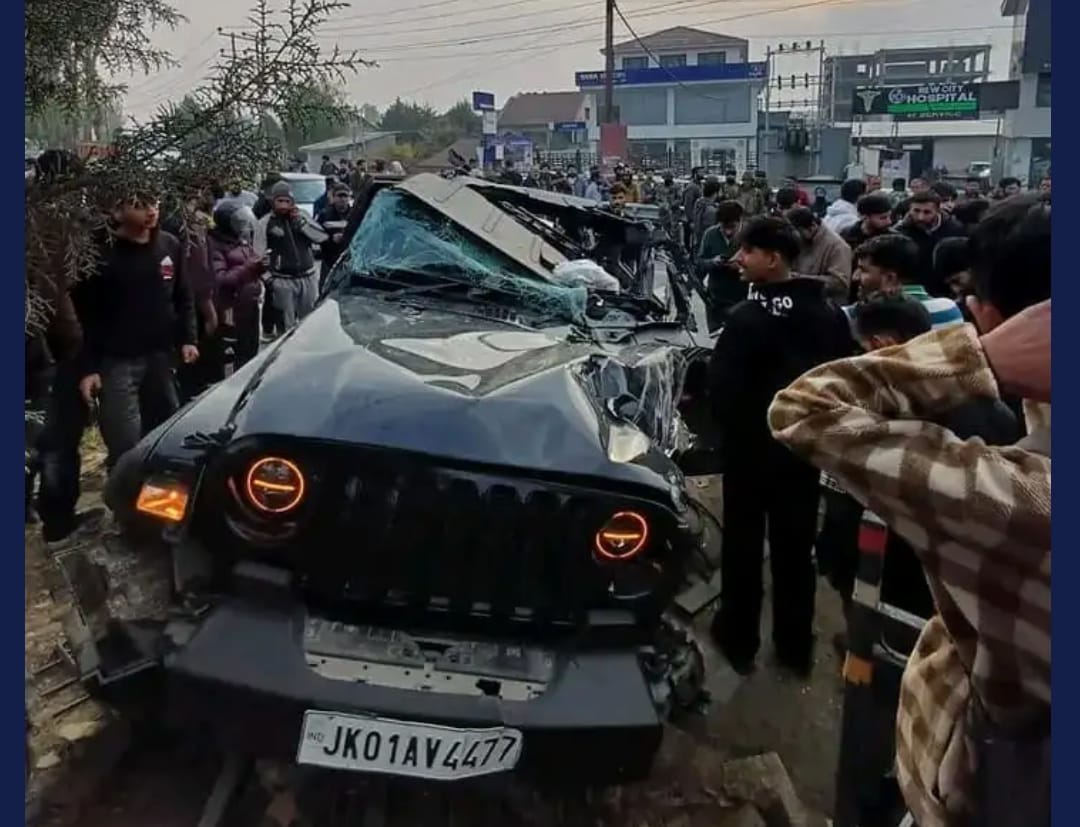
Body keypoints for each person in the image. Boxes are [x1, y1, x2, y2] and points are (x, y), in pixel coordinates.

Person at [769, 194, 1051, 827]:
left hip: (978, 790)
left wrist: (984, 359)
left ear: (985, 317)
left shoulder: (1018, 497)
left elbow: (804, 410)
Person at [707, 216, 852, 677]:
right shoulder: (828, 315)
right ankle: (794, 647)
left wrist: (727, 434)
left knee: (743, 548)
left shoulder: (745, 319)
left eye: (747, 251)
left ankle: (739, 640)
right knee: (795, 549)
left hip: (749, 455)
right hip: (802, 455)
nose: (738, 259)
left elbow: (721, 390)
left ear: (773, 259)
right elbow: (841, 381)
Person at [73, 193, 198, 471]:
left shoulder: (169, 245)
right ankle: (123, 491)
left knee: (165, 428)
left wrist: (188, 338)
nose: (151, 211)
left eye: (154, 203)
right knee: (124, 441)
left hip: (160, 356)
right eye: (140, 206)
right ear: (118, 212)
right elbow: (85, 316)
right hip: (117, 360)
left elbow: (183, 295)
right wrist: (88, 368)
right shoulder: (100, 253)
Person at [254, 181, 328, 329]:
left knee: (309, 322)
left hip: (307, 276)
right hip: (282, 280)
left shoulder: (302, 215)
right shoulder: (265, 223)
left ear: (292, 201)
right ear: (273, 201)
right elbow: (257, 253)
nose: (283, 205)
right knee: (286, 325)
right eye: (280, 201)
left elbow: (321, 237)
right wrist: (269, 280)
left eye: (287, 201)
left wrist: (301, 224)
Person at [851, 234, 964, 327]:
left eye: (863, 270)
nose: (855, 277)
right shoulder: (949, 309)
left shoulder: (859, 317)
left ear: (890, 278)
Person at [208, 203, 266, 373]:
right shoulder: (215, 245)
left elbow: (252, 264)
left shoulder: (241, 241)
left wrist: (261, 266)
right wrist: (248, 268)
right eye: (240, 223)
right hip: (232, 310)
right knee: (236, 353)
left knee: (251, 350)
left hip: (250, 305)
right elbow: (221, 279)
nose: (244, 226)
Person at [892, 190, 966, 296]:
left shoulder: (954, 229)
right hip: (912, 292)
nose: (920, 217)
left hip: (945, 292)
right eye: (916, 211)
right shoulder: (899, 233)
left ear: (937, 211)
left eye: (927, 212)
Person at [785, 206, 853, 303]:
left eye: (797, 232)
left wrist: (799, 279)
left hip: (828, 304)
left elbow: (840, 283)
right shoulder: (799, 242)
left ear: (812, 227)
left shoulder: (838, 247)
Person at [696, 200, 745, 329]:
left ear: (740, 221)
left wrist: (742, 266)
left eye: (732, 227)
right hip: (715, 298)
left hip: (740, 299)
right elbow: (699, 262)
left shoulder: (749, 237)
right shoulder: (710, 234)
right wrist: (712, 262)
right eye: (724, 227)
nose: (728, 232)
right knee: (716, 336)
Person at [316, 184, 351, 284]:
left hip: (348, 262)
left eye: (345, 196)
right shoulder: (324, 215)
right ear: (334, 197)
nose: (343, 199)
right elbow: (317, 237)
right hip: (329, 261)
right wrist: (331, 239)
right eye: (340, 196)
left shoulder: (354, 214)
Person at [690, 176, 721, 253]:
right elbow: (710, 230)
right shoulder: (711, 210)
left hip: (697, 238)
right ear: (715, 193)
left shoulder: (699, 202)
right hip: (707, 243)